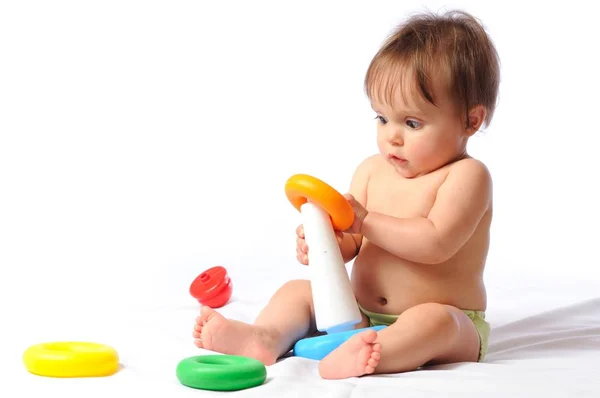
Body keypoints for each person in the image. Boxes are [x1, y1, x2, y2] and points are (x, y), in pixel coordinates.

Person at [192, 9, 500, 380]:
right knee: (297, 290)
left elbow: (435, 242)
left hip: (451, 319)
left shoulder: (467, 176)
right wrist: (328, 245)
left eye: (412, 123)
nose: (392, 136)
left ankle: (376, 354)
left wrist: (366, 220)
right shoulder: (372, 170)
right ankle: (264, 338)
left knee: (434, 320)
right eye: (383, 118)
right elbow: (355, 241)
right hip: (361, 313)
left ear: (470, 120)